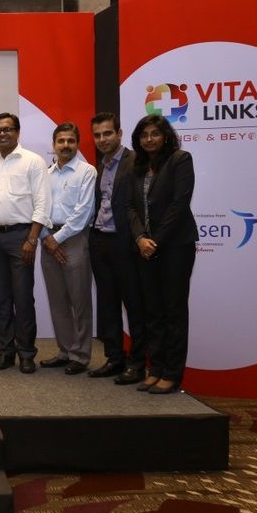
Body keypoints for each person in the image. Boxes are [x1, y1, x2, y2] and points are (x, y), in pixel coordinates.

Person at [126, 114, 197, 394]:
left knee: (173, 311)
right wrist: (140, 238)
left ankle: (172, 373)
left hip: (175, 247)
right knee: (152, 312)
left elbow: (179, 204)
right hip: (145, 247)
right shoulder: (137, 166)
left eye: (155, 133)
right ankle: (155, 369)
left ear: (166, 136)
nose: (149, 139)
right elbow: (130, 207)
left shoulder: (180, 159)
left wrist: (154, 241)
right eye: (144, 135)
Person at [0, 112, 51, 374]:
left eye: (7, 129)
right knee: (1, 299)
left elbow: (43, 202)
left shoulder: (33, 161)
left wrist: (32, 238)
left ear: (17, 132)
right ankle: (5, 352)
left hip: (21, 237)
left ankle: (27, 353)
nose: (2, 134)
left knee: (22, 299)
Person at [87, 112, 146, 385]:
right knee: (107, 304)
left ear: (120, 134)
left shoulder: (135, 162)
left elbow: (140, 206)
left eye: (107, 133)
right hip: (100, 241)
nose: (102, 139)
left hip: (125, 243)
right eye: (97, 135)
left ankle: (138, 363)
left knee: (134, 305)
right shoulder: (101, 165)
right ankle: (114, 358)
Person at [38, 123, 96, 375]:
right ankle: (65, 351)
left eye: (70, 141)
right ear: (53, 144)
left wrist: (57, 238)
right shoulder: (46, 174)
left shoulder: (87, 172)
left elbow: (84, 212)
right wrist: (46, 237)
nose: (65, 145)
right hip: (48, 239)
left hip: (74, 238)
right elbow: (38, 207)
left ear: (77, 144)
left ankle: (80, 356)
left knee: (79, 300)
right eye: (61, 141)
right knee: (58, 301)